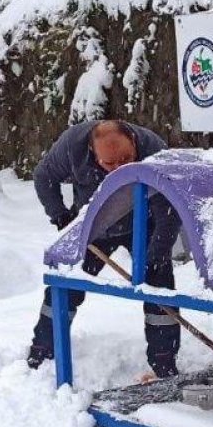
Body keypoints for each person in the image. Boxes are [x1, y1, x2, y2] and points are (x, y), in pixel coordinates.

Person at [26, 119, 182, 377]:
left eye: (126, 160)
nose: (118, 171)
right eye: (109, 164)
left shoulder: (154, 148)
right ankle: (42, 352)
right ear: (92, 150)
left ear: (133, 142)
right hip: (93, 226)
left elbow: (169, 206)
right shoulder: (72, 146)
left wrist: (158, 251)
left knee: (159, 288)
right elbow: (43, 177)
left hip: (143, 223)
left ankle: (164, 361)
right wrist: (61, 216)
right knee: (66, 286)